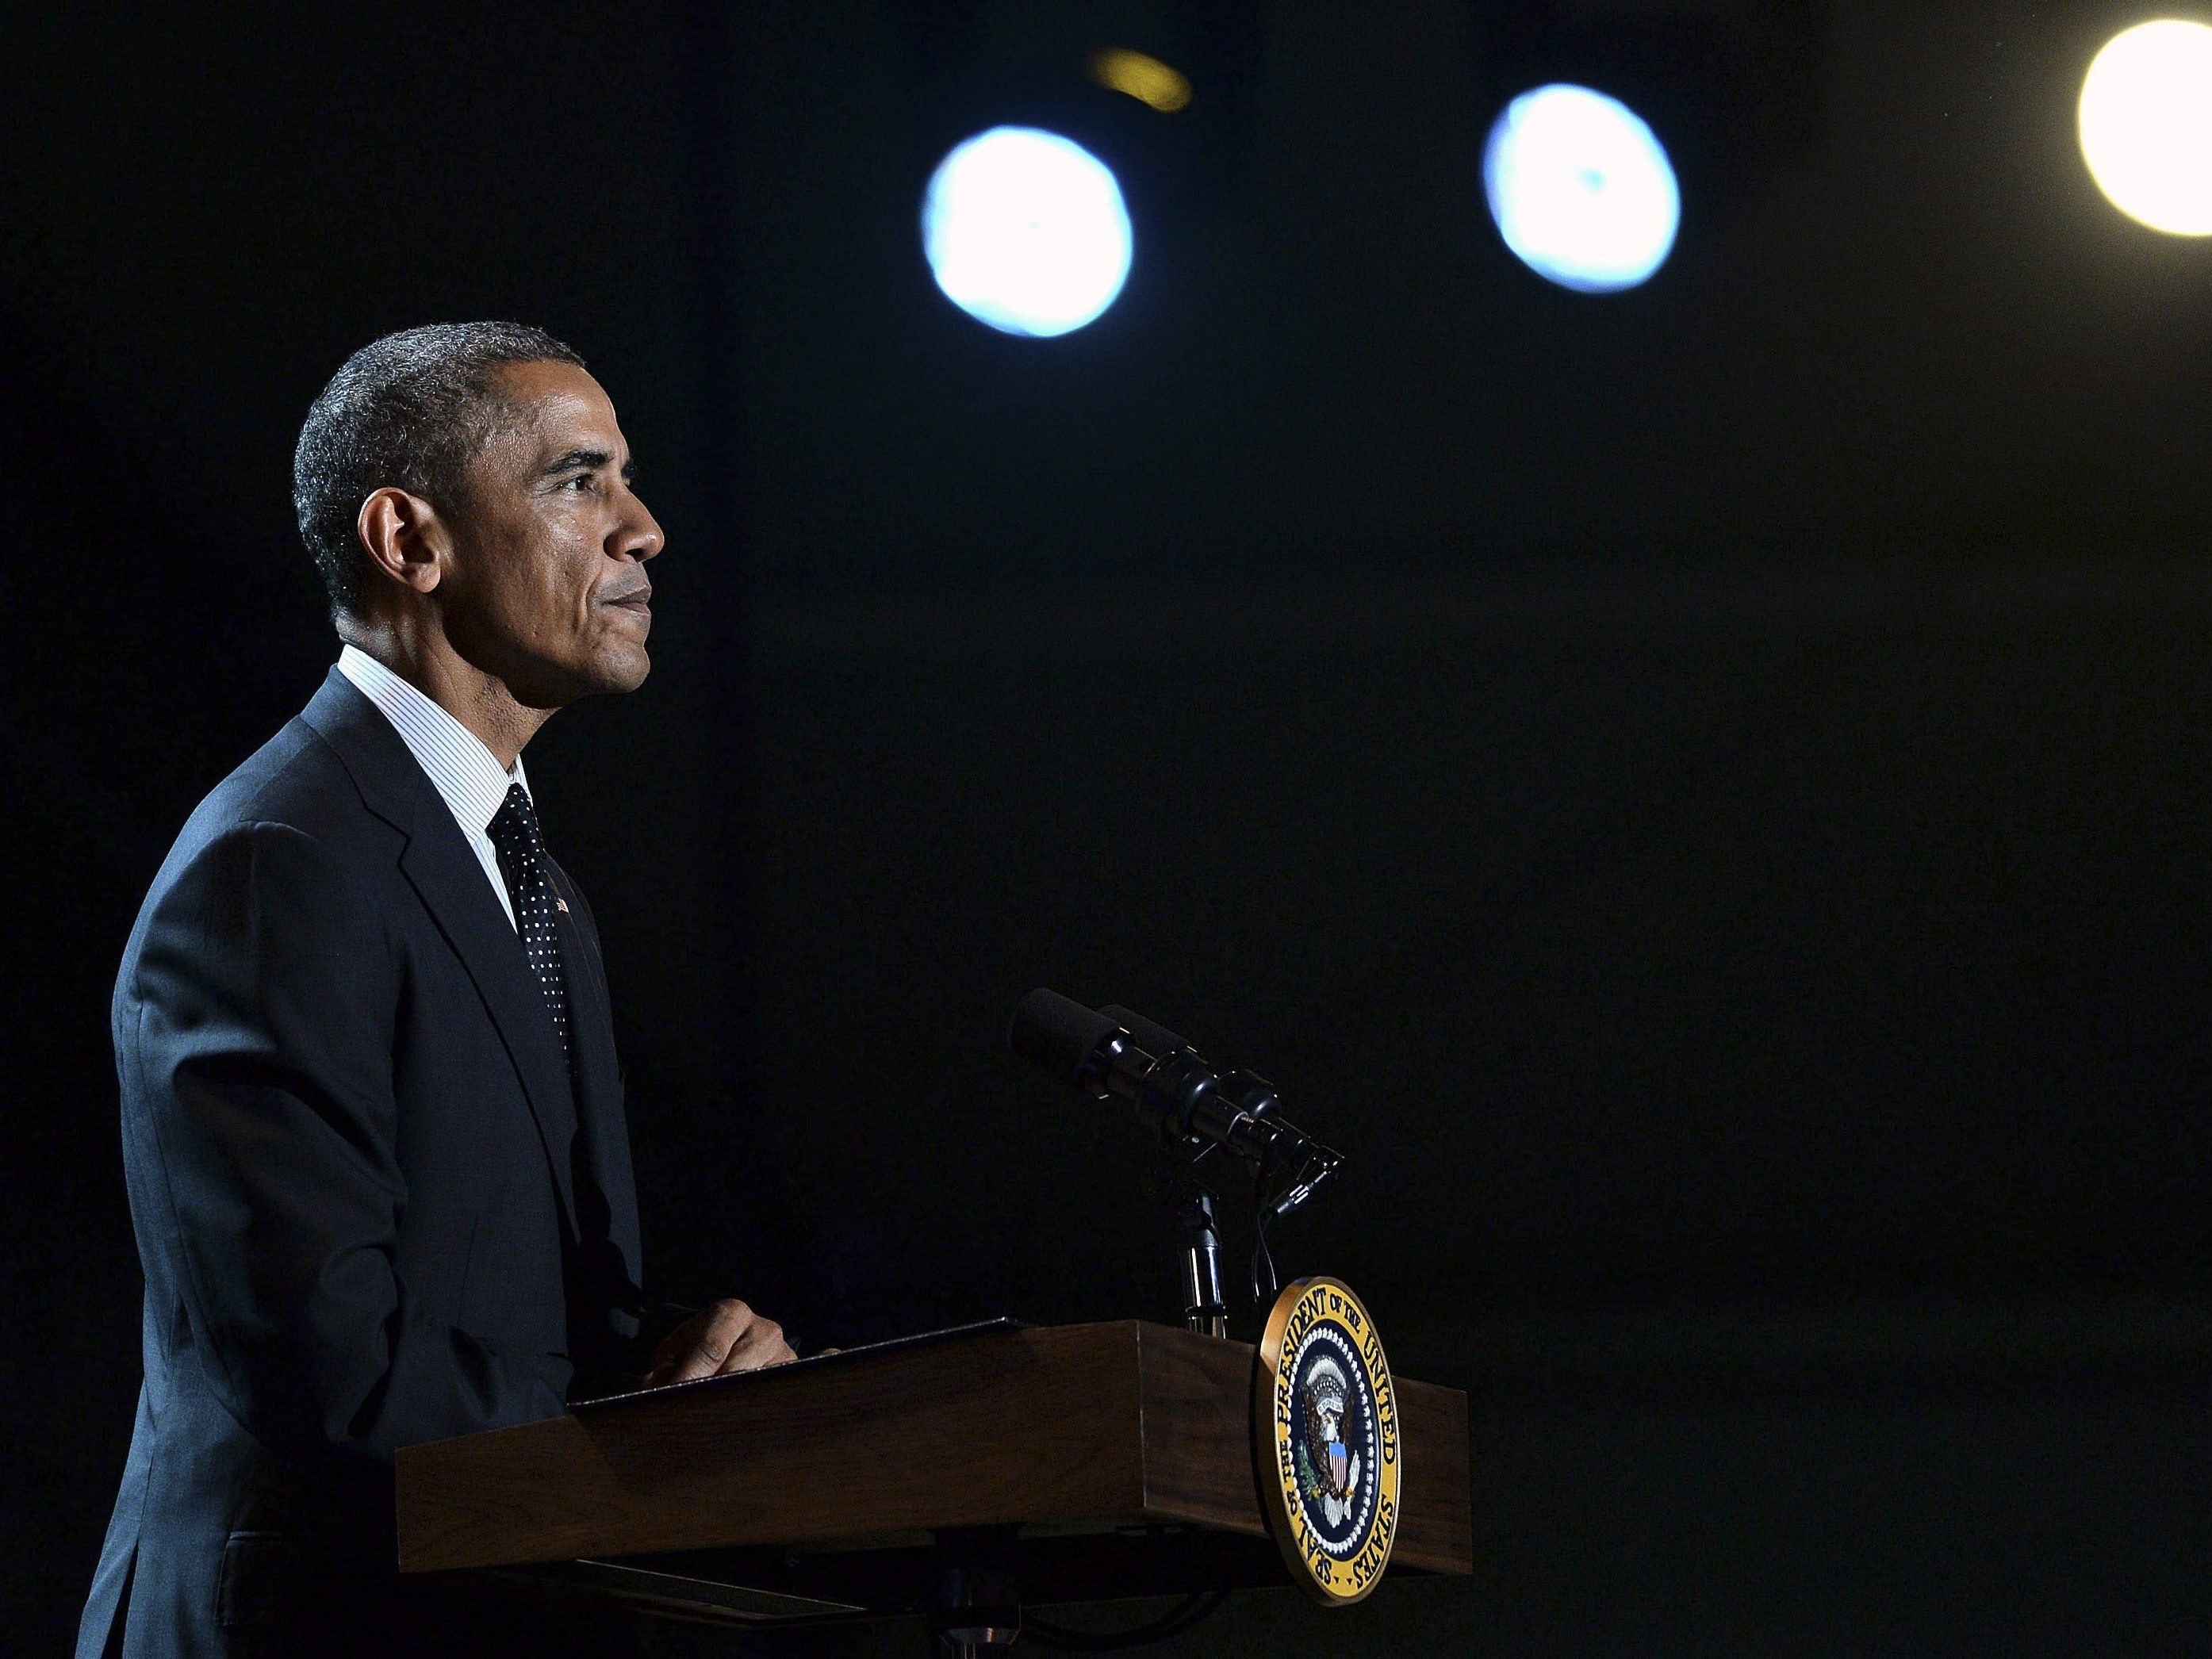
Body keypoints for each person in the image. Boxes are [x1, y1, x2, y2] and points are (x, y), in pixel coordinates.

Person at [78, 323, 794, 1657]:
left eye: (626, 479)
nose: (642, 529)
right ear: (412, 542)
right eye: (579, 481)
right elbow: (328, 1367)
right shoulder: (276, 865)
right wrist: (648, 1434)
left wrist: (694, 1377)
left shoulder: (540, 888)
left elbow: (535, 1316)